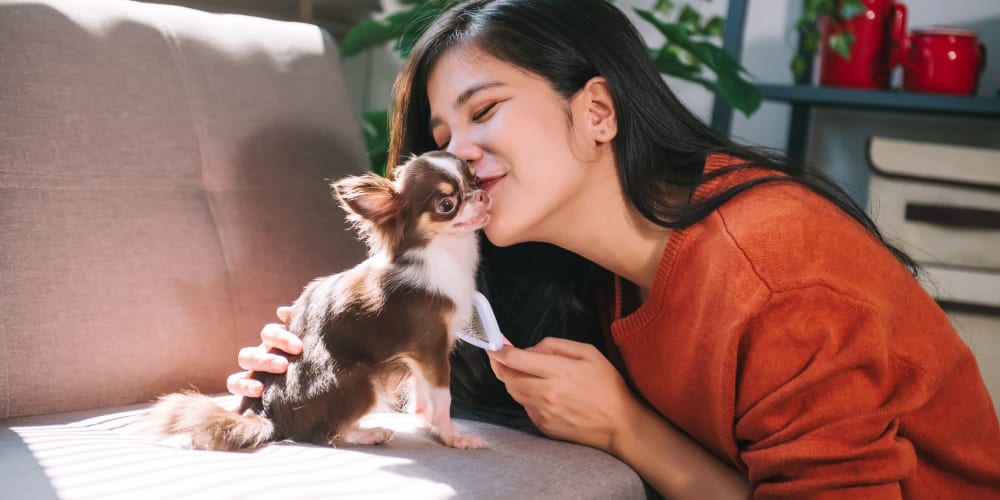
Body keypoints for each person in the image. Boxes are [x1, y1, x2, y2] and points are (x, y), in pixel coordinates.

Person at [227, 0, 1000, 497]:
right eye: (442, 140)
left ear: (596, 110)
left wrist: (628, 429)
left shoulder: (777, 275)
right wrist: (328, 360)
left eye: (484, 110)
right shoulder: (584, 269)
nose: (458, 157)